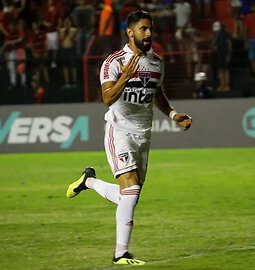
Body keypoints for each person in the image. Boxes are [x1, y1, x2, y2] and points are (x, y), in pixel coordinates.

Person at [65, 10, 193, 265]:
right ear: (130, 31)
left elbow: (156, 93)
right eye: (143, 29)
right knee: (131, 189)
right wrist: (125, 76)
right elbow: (107, 98)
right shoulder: (113, 62)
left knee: (129, 196)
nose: (148, 33)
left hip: (143, 136)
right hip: (119, 130)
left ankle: (88, 182)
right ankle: (120, 253)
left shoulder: (157, 62)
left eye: (150, 29)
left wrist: (173, 114)